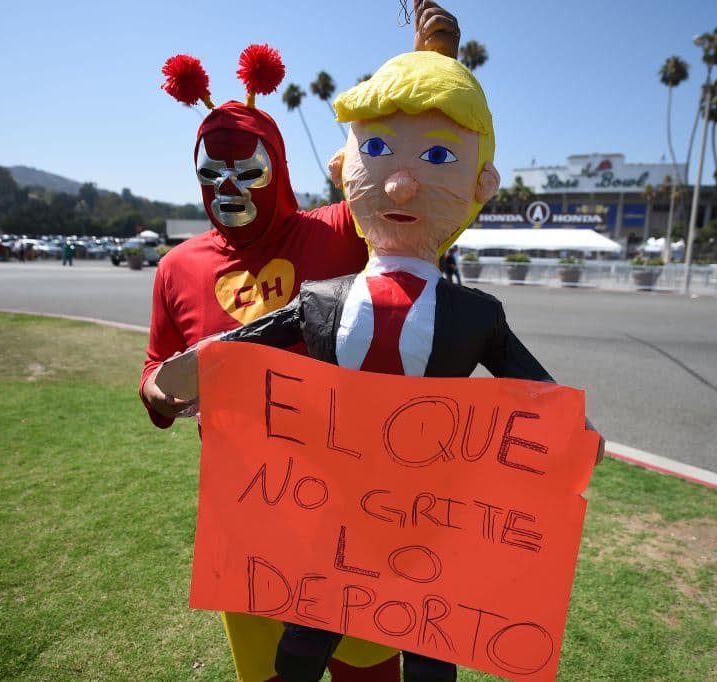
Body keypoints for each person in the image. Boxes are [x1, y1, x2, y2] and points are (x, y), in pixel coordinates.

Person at [178, 49, 605, 682]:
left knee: (430, 662)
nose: (402, 184)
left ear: (482, 184)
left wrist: (573, 438)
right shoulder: (321, 301)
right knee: (299, 651)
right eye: (377, 152)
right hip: (328, 522)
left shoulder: (475, 316)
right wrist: (188, 376)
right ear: (342, 168)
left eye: (437, 158)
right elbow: (241, 349)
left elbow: (536, 394)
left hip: (433, 531)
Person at [140, 5, 462, 681]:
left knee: (364, 670)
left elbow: (416, 195)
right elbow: (155, 378)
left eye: (247, 170)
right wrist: (163, 390)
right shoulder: (178, 266)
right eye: (212, 172)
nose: (228, 189)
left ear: (278, 165)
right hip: (249, 522)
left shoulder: (337, 231)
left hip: (353, 517)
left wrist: (431, 70)